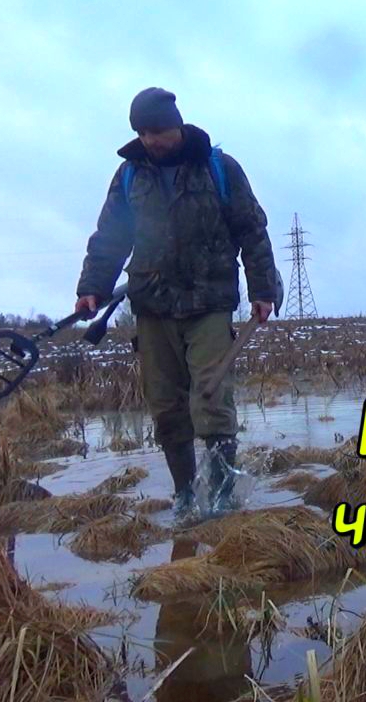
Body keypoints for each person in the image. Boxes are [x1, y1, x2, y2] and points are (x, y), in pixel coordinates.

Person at [75, 87, 277, 518]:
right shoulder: (130, 175)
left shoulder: (219, 168)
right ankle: (185, 496)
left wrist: (263, 291)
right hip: (152, 305)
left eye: (158, 131)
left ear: (177, 126)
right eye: (143, 133)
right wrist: (91, 286)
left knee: (211, 399)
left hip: (209, 302)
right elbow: (111, 236)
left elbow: (252, 230)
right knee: (166, 408)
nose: (151, 140)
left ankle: (222, 498)